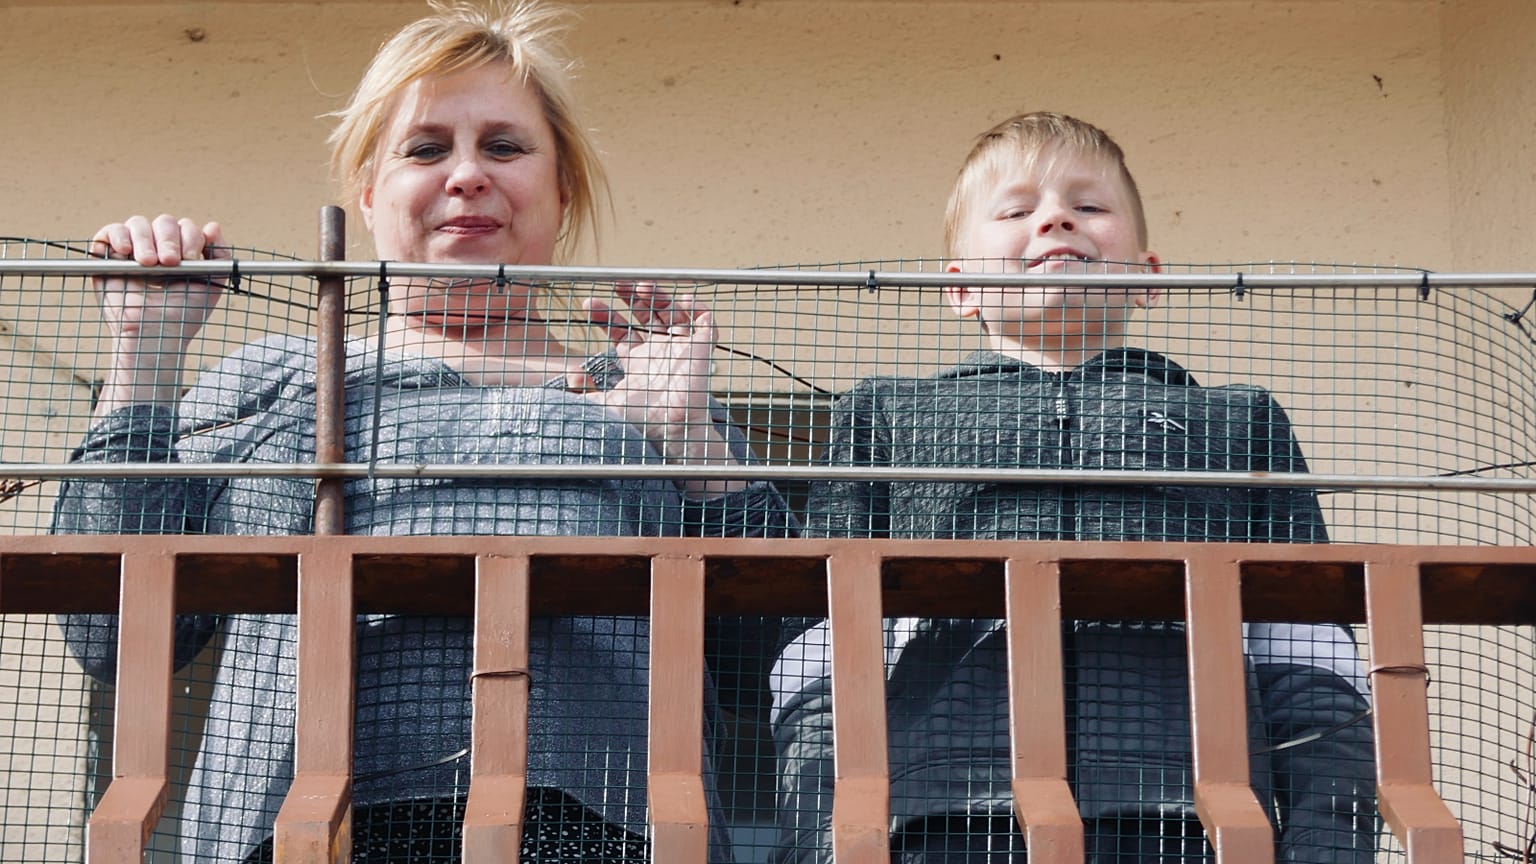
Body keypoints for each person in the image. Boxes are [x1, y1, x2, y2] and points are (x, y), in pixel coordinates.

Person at [53, 2, 790, 862]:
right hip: (299, 827)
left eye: (505, 147)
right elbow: (109, 636)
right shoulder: (278, 384)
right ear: (368, 196)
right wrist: (144, 353)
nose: (468, 175)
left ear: (563, 192)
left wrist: (691, 443)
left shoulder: (647, 387)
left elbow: (764, 662)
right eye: (427, 148)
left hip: (599, 833)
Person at [769, 112, 1376, 863]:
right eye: (1018, 210)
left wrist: (1328, 843)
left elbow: (1308, 648)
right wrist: (819, 839)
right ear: (959, 290)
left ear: (1149, 277)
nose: (1056, 218)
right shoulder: (889, 415)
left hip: (1193, 819)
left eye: (1088, 207)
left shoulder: (1235, 421)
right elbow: (825, 645)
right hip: (941, 820)